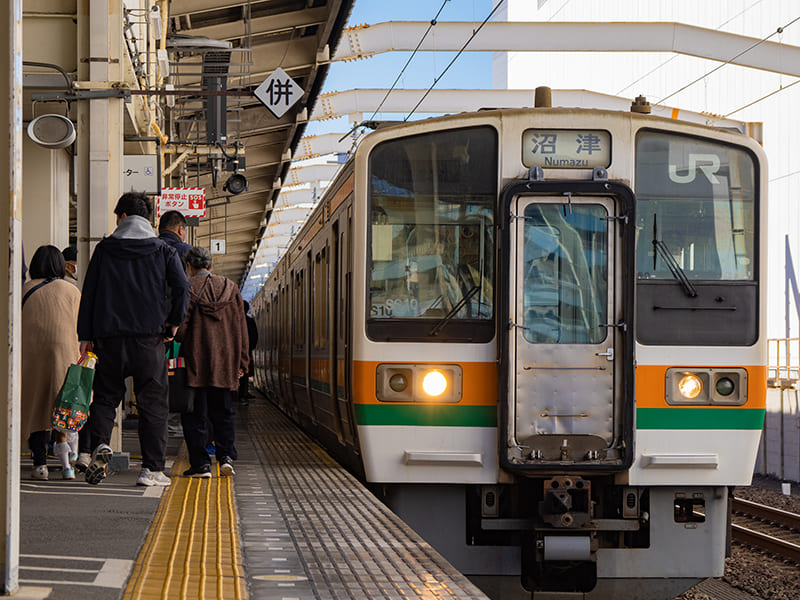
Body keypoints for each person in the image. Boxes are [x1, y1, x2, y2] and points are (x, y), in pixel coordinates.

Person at [77, 191, 190, 486]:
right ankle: (150, 470)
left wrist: (86, 335)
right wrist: (173, 324)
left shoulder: (104, 250)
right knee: (153, 404)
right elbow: (182, 288)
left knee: (104, 398)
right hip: (148, 341)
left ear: (123, 216)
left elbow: (89, 293)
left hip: (109, 340)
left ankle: (99, 445)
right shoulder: (162, 251)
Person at [177, 246, 248, 478]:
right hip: (226, 363)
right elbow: (241, 328)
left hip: (196, 363)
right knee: (224, 411)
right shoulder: (231, 288)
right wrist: (242, 363)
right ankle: (226, 457)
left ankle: (200, 465)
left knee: (195, 414)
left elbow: (181, 329)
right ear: (211, 265)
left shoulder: (189, 288)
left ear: (189, 266)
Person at [21, 245, 82, 480]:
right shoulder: (72, 290)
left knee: (36, 405)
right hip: (66, 354)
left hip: (31, 355)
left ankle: (39, 465)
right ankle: (68, 462)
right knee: (64, 404)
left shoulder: (24, 289)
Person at [237, 300, 258, 405]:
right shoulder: (249, 321)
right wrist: (249, 349)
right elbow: (254, 337)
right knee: (244, 374)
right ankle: (243, 395)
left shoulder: (233, 321)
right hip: (246, 353)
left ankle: (234, 393)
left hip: (234, 353)